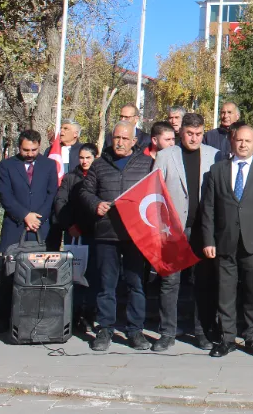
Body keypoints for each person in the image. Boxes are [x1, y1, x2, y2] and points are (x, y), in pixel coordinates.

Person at [201, 125, 253, 357]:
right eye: (239, 140)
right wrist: (208, 240)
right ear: (232, 142)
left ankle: (252, 338)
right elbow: (208, 209)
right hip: (224, 241)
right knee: (225, 293)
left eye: (248, 141)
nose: (243, 144)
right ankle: (226, 339)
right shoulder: (217, 170)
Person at [78, 120, 155, 351]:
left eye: (125, 138)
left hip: (135, 235)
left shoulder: (147, 164)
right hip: (106, 233)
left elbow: (154, 195)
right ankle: (105, 329)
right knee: (106, 285)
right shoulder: (99, 165)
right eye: (116, 138)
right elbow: (84, 191)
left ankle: (135, 330)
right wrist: (95, 204)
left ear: (134, 141)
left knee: (136, 284)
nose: (120, 142)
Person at [152, 113, 220, 351]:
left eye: (199, 134)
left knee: (202, 282)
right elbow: (156, 193)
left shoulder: (214, 155)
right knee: (170, 282)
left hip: (203, 229)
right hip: (173, 229)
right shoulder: (165, 156)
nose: (194, 138)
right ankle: (167, 333)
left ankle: (201, 332)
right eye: (190, 134)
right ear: (181, 133)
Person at [0, 129, 59, 332]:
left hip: (42, 226)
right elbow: (5, 195)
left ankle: (40, 317)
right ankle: (4, 318)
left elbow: (52, 194)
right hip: (16, 226)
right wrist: (24, 215)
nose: (30, 153)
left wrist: (38, 217)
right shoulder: (7, 165)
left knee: (42, 274)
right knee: (9, 275)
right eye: (25, 150)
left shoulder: (49, 165)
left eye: (34, 149)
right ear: (18, 146)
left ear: (39, 146)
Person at [51, 142, 98, 331]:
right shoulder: (70, 178)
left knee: (93, 275)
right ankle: (74, 313)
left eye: (88, 158)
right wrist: (69, 225)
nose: (85, 161)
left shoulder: (99, 175)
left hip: (94, 232)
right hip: (74, 233)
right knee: (75, 274)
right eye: (82, 157)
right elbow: (61, 202)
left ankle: (90, 314)